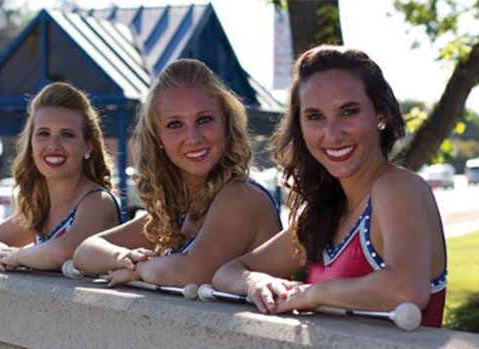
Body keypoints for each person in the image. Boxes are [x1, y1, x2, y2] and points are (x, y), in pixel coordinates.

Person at [212, 45, 447, 327]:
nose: (332, 134)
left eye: (348, 112)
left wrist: (313, 294)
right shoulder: (325, 211)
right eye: (315, 117)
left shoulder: (397, 187)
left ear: (380, 114)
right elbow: (228, 272)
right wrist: (256, 282)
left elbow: (406, 290)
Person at [72, 59, 281, 287]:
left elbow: (191, 273)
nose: (193, 138)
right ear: (157, 138)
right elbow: (85, 252)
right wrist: (124, 258)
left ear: (227, 124)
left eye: (204, 120)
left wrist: (140, 269)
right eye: (175, 124)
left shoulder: (242, 198)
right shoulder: (177, 211)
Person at [0, 82, 124, 271]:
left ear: (88, 146)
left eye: (67, 135)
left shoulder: (98, 201)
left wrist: (15, 256)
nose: (53, 145)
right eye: (43, 134)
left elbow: (63, 252)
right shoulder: (40, 207)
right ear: (31, 145)